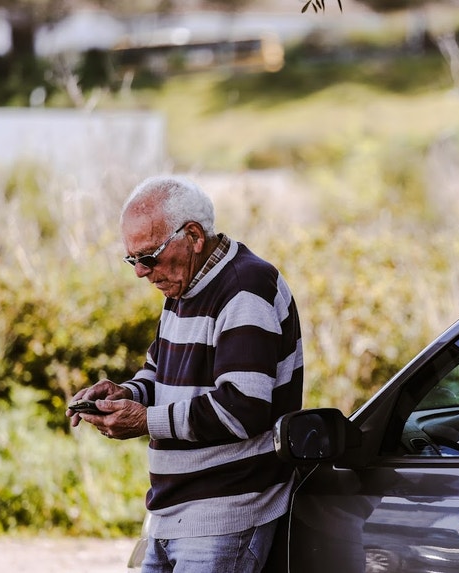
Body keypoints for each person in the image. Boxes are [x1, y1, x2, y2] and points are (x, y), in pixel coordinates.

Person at [67, 175, 304, 573]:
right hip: (172, 512)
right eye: (132, 260)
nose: (141, 272)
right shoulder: (183, 286)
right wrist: (125, 394)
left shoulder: (245, 288)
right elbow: (158, 374)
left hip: (223, 515)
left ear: (193, 236)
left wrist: (146, 420)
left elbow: (242, 409)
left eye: (148, 257)